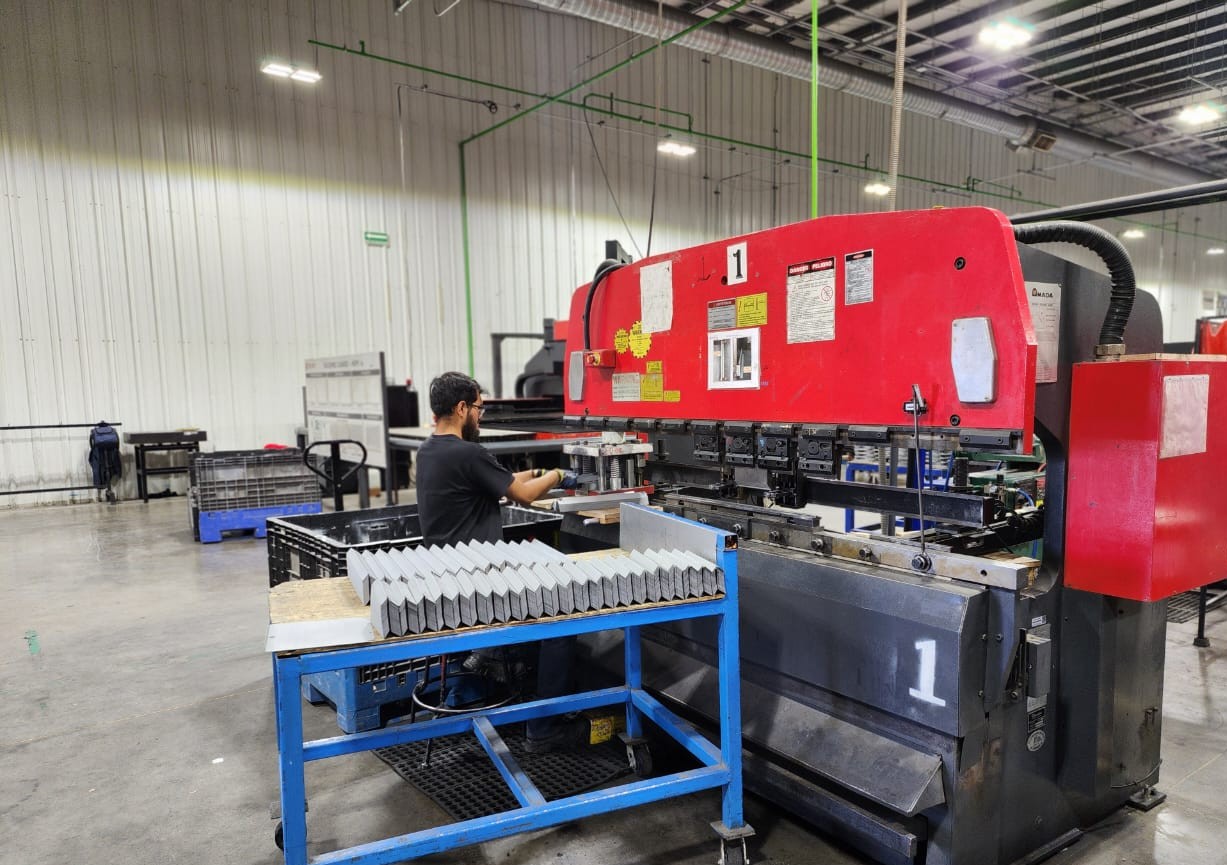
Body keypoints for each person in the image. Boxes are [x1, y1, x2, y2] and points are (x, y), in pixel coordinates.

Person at [415, 371, 583, 752]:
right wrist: (560, 473)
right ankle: (544, 729)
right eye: (478, 408)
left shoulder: (430, 451)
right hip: (478, 584)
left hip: (443, 576)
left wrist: (539, 473)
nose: (481, 415)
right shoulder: (468, 453)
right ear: (461, 408)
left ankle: (508, 678)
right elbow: (521, 495)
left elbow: (501, 479)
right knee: (565, 616)